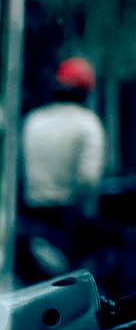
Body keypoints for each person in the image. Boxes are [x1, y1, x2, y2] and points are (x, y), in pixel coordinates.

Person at [23, 56, 107, 215]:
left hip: (31, 213)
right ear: (85, 93)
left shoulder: (33, 120)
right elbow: (89, 178)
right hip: (69, 216)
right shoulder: (88, 123)